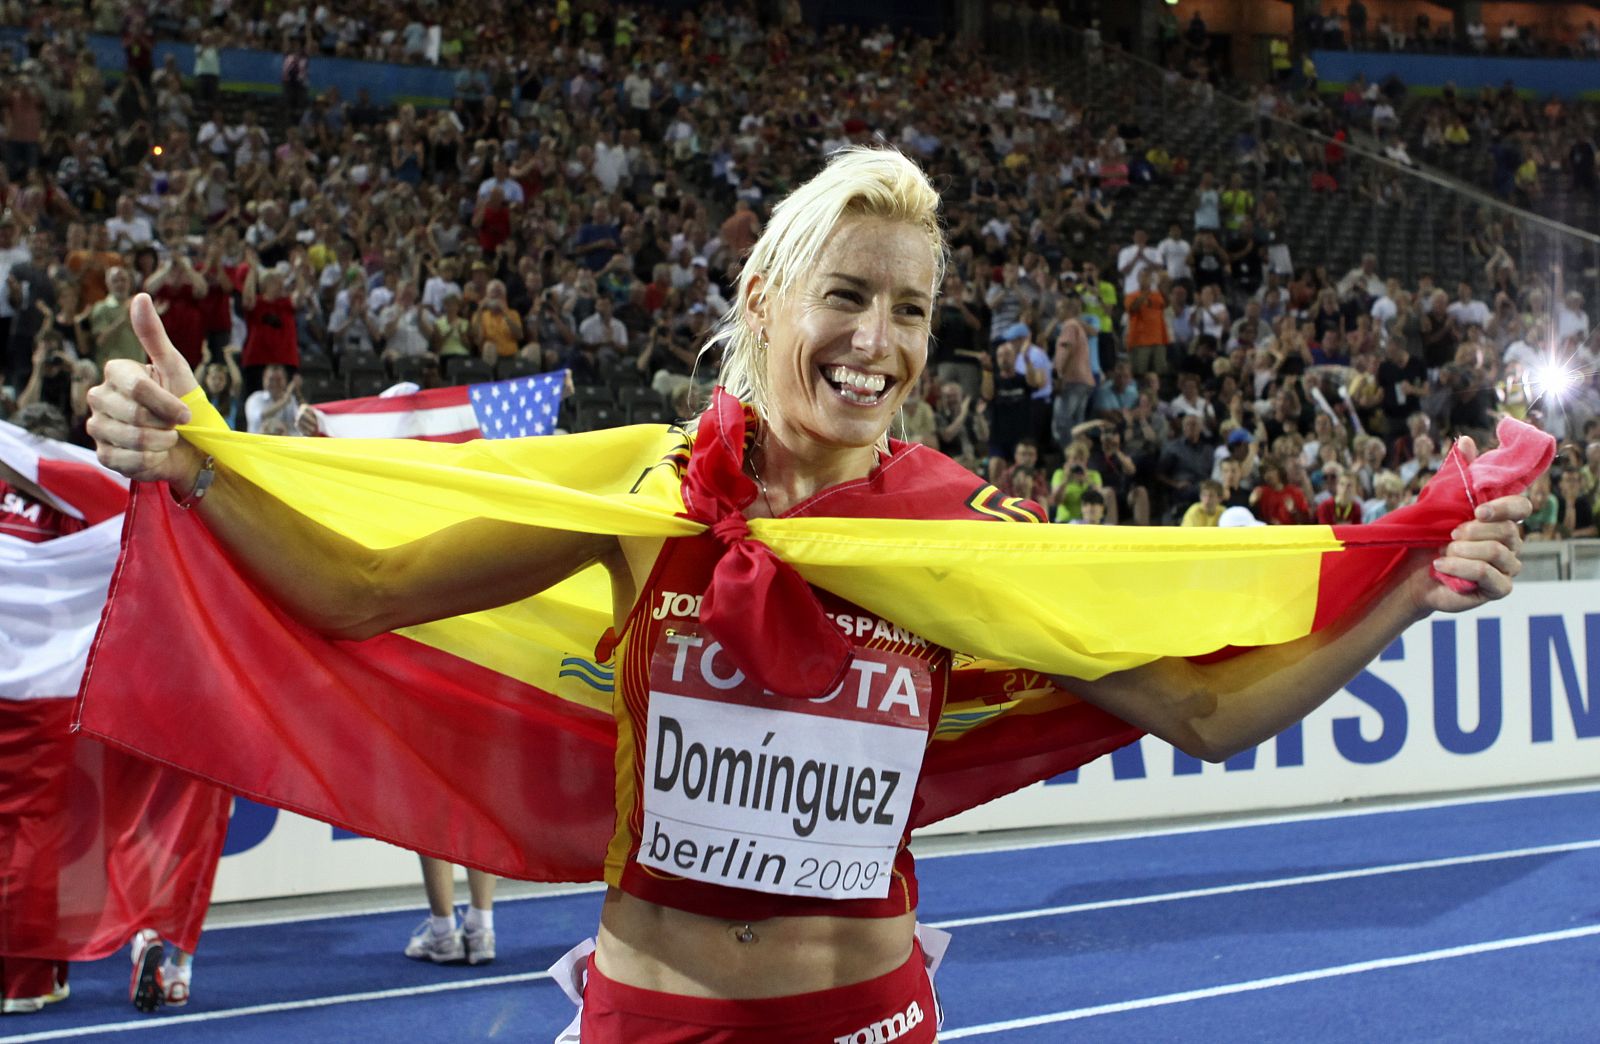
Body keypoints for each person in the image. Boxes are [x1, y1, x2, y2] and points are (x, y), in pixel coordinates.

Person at [86, 147, 1532, 1043]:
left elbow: (1204, 713)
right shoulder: (645, 497)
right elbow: (358, 590)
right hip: (648, 1018)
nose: (878, 341)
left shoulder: (958, 536)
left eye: (911, 310)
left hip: (865, 1022)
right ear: (767, 298)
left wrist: (1407, 590)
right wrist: (203, 464)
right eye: (849, 294)